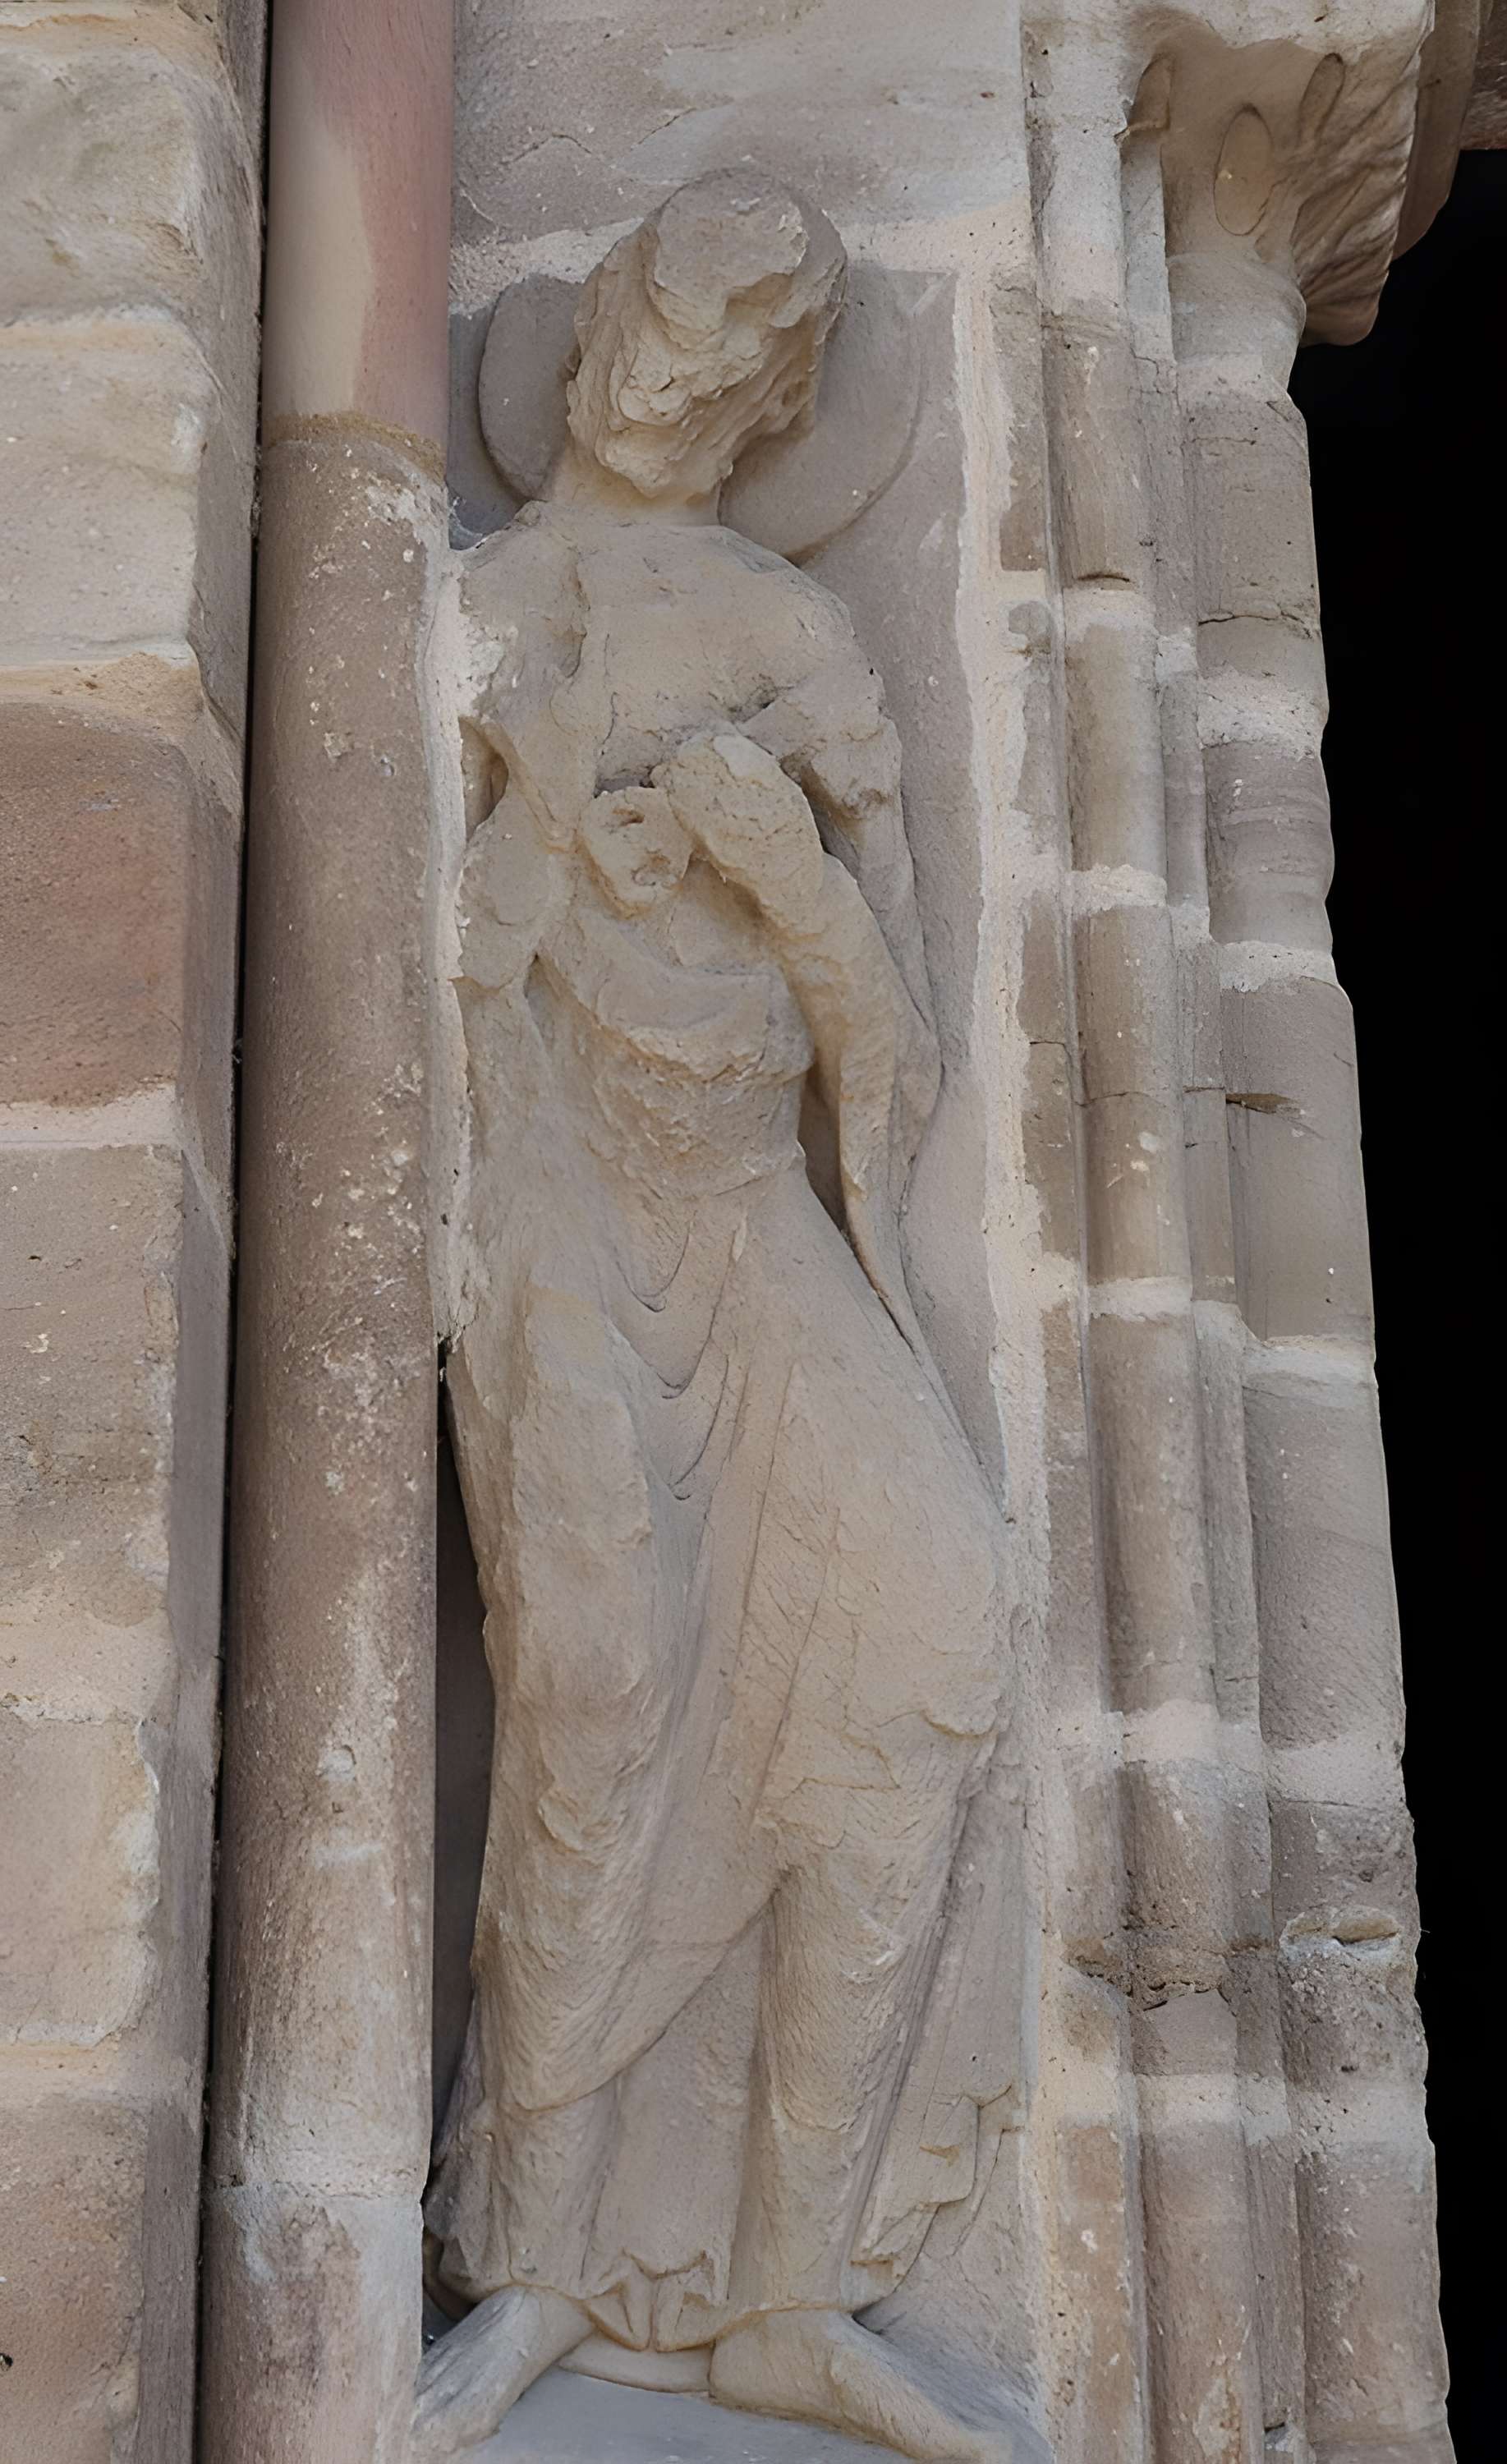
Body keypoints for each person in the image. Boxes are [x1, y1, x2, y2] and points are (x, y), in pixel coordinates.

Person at [415, 171, 1031, 2464]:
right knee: (592, 1699)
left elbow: (903, 1049)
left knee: (933, 1628)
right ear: (587, 343)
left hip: (756, 1219)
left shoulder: (789, 630)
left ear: (783, 402)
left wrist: (788, 880)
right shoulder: (464, 602)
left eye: (728, 375)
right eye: (650, 348)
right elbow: (380, 998)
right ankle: (546, 2273)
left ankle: (791, 2290)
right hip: (564, 1217)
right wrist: (501, 814)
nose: (675, 398)